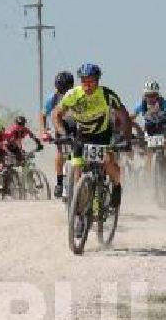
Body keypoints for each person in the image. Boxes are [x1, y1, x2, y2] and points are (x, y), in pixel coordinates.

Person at [52, 62, 132, 236]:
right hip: (82, 136)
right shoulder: (73, 95)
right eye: (84, 81)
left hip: (103, 135)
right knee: (76, 170)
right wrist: (64, 132)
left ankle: (117, 186)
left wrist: (126, 139)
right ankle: (80, 217)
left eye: (91, 81)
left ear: (97, 81)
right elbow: (56, 114)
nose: (87, 85)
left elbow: (124, 115)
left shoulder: (107, 95)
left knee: (108, 163)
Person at [130, 79, 166, 178]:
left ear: (158, 95)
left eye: (154, 95)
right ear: (144, 95)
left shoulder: (164, 103)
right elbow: (131, 118)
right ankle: (147, 177)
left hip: (163, 127)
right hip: (149, 129)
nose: (151, 98)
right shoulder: (141, 105)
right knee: (148, 152)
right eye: (148, 95)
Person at [41, 71, 77, 197]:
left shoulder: (77, 94)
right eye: (60, 87)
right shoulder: (53, 98)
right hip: (61, 126)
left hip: (76, 125)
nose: (62, 90)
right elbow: (43, 115)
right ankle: (59, 182)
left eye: (65, 87)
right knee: (61, 152)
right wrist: (44, 131)